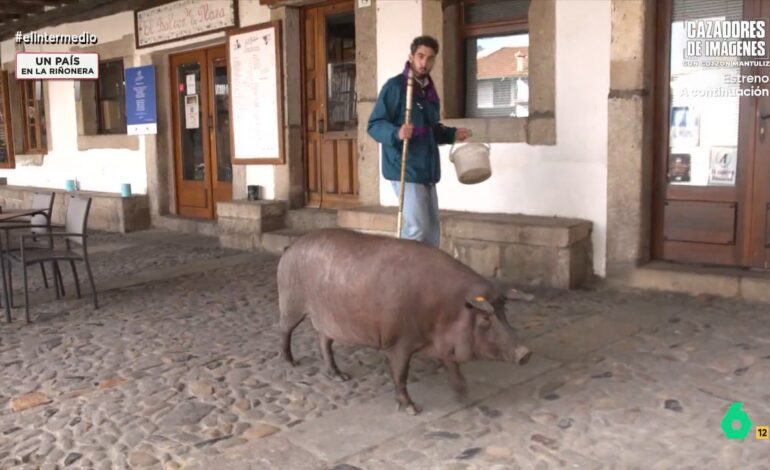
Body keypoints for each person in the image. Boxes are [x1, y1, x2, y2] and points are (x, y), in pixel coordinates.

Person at [367, 35, 472, 247]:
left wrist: (451, 134)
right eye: (421, 56)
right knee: (416, 230)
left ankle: (425, 269)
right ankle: (403, 268)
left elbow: (430, 129)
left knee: (431, 233)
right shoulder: (395, 87)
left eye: (430, 58)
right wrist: (396, 133)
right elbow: (374, 125)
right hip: (405, 167)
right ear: (411, 57)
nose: (424, 62)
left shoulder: (429, 91)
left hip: (427, 169)